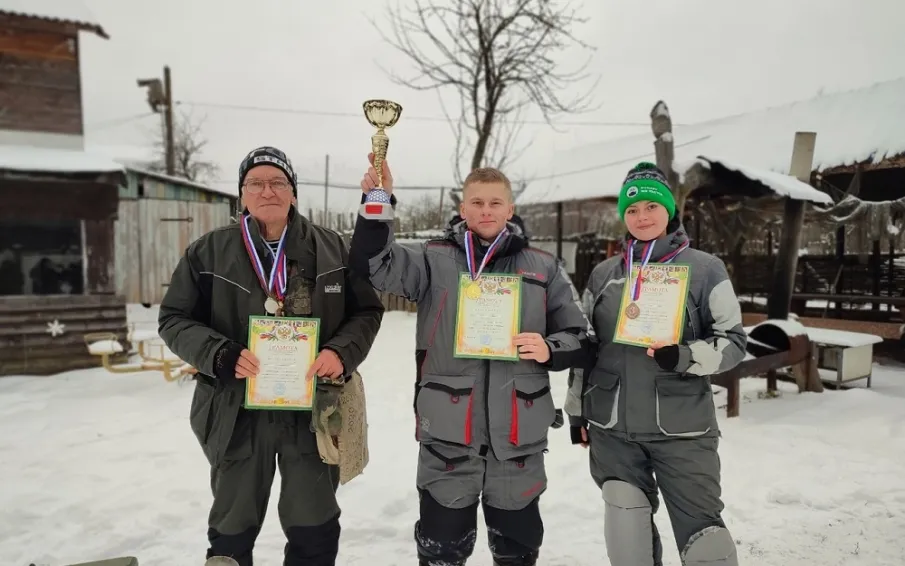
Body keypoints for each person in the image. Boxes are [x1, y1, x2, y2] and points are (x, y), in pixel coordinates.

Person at [349, 154, 592, 566]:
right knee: (441, 549)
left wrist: (551, 348)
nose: (486, 211)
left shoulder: (543, 267)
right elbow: (373, 265)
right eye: (476, 202)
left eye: (495, 203)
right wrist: (378, 197)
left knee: (518, 548)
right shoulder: (432, 259)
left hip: (517, 438)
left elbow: (580, 336)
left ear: (510, 209)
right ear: (463, 209)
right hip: (449, 435)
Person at [157, 146, 385, 566]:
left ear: (293, 193)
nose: (268, 191)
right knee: (231, 527)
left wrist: (341, 352)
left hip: (313, 410)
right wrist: (219, 353)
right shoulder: (207, 253)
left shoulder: (333, 249)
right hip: (235, 410)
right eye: (256, 183)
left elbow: (368, 310)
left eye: (278, 182)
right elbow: (173, 318)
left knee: (314, 526)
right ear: (241, 195)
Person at [564, 162, 747, 566]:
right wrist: (577, 410)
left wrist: (685, 355)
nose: (641, 217)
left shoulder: (704, 269)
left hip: (682, 427)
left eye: (651, 206)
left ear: (669, 211)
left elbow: (734, 342)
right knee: (627, 535)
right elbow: (586, 347)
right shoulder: (604, 274)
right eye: (631, 210)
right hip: (613, 428)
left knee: (705, 540)